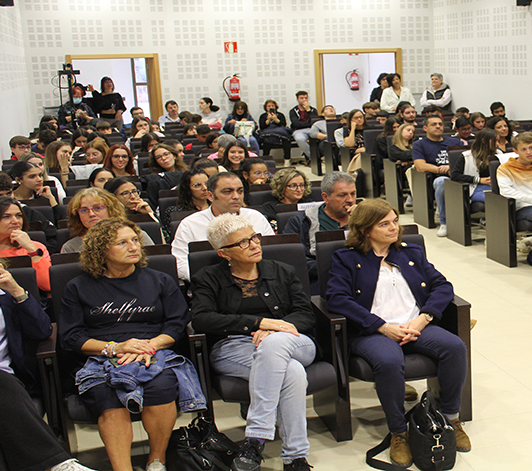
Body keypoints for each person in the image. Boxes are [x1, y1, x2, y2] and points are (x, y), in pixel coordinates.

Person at [325, 199, 470, 467]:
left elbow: (442, 286)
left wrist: (423, 318)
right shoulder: (346, 258)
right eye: (384, 224)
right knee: (390, 361)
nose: (394, 228)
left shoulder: (410, 253)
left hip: (414, 325)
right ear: (365, 230)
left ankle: (451, 418)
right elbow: (337, 299)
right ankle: (399, 432)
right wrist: (382, 326)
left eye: (394, 221)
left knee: (454, 347)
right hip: (373, 331)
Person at [59, 218, 204, 471]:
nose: (133, 246)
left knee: (161, 385)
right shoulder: (78, 286)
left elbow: (176, 324)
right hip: (102, 355)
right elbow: (72, 336)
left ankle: (156, 461)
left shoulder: (159, 280)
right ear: (101, 250)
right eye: (122, 242)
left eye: (135, 240)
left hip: (153, 352)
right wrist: (116, 347)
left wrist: (149, 346)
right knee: (108, 396)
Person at [191, 215, 318, 471]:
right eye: (243, 242)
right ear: (223, 253)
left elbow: (305, 313)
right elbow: (202, 318)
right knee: (291, 372)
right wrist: (259, 323)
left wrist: (274, 332)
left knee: (274, 347)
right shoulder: (208, 277)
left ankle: (255, 439)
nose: (253, 244)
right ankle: (295, 458)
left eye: (254, 237)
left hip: (294, 342)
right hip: (235, 347)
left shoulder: (282, 270)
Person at [0, 247, 96, 471]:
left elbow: (42, 331)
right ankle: (58, 464)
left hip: (8, 385)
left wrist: (16, 291)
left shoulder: (4, 295)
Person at [172, 172, 274, 280]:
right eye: (227, 192)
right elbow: (180, 263)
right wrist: (210, 281)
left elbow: (271, 253)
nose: (236, 197)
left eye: (240, 191)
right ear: (210, 196)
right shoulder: (190, 224)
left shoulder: (256, 217)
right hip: (210, 285)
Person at [282, 172, 356, 290]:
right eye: (342, 195)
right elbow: (294, 259)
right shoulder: (301, 221)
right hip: (321, 281)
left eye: (353, 193)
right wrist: (337, 268)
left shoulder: (365, 219)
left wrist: (365, 221)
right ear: (326, 197)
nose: (350, 200)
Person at [412, 115, 463, 237]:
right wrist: (441, 169)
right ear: (425, 128)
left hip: (458, 174)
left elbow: (465, 159)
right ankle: (444, 222)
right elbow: (420, 165)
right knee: (442, 182)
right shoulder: (420, 144)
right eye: (434, 124)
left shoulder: (455, 142)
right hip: (435, 178)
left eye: (440, 124)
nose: (438, 126)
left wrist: (451, 167)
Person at [62, 188, 155, 253]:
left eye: (97, 208)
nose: (91, 214)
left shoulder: (137, 236)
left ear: (111, 210)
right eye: (84, 210)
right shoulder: (70, 247)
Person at [0, 196, 51, 293]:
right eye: (6, 217)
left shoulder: (35, 247)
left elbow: (48, 285)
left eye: (19, 216)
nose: (15, 221)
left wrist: (31, 249)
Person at [496, 132, 532, 225]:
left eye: (531, 148)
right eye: (524, 149)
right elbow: (506, 191)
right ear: (516, 151)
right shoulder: (505, 169)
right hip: (522, 207)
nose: (529, 152)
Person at [450, 128, 498, 213]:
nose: (497, 144)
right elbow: (455, 175)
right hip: (475, 188)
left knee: (506, 200)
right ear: (483, 141)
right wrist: (478, 180)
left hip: (495, 187)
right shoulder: (466, 156)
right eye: (494, 141)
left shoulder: (499, 154)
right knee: (495, 201)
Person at [161, 169, 210, 235]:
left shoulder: (219, 208)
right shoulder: (175, 212)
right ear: (188, 189)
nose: (205, 188)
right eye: (197, 185)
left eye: (207, 184)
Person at [389, 122, 416, 207]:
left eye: (413, 131)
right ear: (400, 131)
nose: (411, 132)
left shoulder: (415, 145)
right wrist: (413, 159)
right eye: (408, 130)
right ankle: (412, 195)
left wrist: (408, 161)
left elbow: (422, 154)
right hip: (401, 171)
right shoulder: (394, 147)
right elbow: (400, 156)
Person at [289, 91, 318, 164]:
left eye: (306, 98)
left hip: (312, 129)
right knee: (300, 139)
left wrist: (308, 111)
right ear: (297, 100)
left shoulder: (313, 110)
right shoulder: (293, 111)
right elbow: (296, 124)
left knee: (323, 137)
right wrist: (308, 124)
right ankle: (313, 157)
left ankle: (321, 156)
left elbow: (315, 122)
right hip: (299, 130)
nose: (304, 100)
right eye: (302, 98)